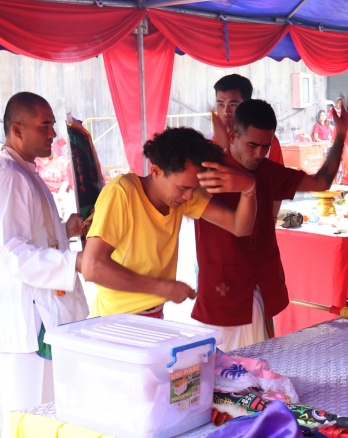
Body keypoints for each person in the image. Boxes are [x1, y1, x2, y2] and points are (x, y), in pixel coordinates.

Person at [0, 92, 89, 438]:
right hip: (32, 321)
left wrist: (66, 229)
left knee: (47, 416)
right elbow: (14, 253)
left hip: (45, 312)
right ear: (17, 129)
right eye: (44, 125)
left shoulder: (24, 172)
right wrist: (74, 262)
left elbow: (35, 237)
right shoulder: (8, 177)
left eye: (53, 125)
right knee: (29, 418)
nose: (53, 133)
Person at [192, 98, 348, 351]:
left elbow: (321, 183)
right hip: (221, 291)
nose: (258, 154)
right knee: (220, 367)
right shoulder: (208, 172)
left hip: (260, 287)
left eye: (265, 147)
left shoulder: (267, 171)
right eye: (252, 145)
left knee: (259, 365)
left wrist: (340, 136)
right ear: (233, 135)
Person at [82, 126, 257, 319]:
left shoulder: (182, 197)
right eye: (183, 187)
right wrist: (162, 288)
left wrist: (249, 188)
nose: (189, 195)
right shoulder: (122, 193)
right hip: (114, 320)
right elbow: (92, 267)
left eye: (194, 188)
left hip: (154, 316)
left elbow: (240, 227)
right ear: (156, 171)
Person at [211, 74, 284, 166]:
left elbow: (278, 174)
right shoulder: (209, 142)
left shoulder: (266, 141)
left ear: (246, 104)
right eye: (221, 104)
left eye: (233, 104)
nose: (226, 111)